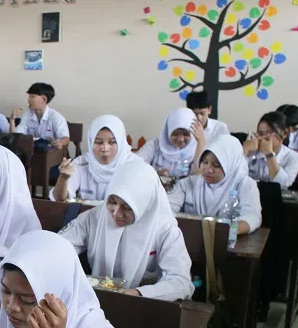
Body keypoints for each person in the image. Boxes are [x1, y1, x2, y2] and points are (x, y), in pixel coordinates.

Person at [59, 160, 194, 302]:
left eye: (128, 207)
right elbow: (61, 246)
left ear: (145, 203)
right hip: (96, 299)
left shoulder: (165, 229)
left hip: (146, 306)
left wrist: (138, 293)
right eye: (112, 202)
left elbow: (181, 281)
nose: (116, 213)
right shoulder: (96, 216)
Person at [168, 135, 262, 234]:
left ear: (231, 165)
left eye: (216, 165)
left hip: (228, 243)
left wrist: (228, 231)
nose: (208, 170)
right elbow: (166, 209)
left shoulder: (245, 184)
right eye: (205, 162)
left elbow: (252, 216)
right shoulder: (189, 183)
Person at [50, 115, 140, 202]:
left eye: (112, 142)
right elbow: (59, 200)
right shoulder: (81, 164)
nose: (105, 148)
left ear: (121, 143)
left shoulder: (135, 166)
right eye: (98, 142)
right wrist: (63, 178)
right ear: (91, 142)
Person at [136, 107, 205, 178]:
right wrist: (155, 174)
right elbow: (136, 166)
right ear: (168, 131)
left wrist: (201, 142)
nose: (180, 139)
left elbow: (197, 178)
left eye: (185, 134)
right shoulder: (154, 145)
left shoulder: (197, 148)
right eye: (175, 134)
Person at [243, 112, 298, 189]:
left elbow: (283, 184)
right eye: (260, 133)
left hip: (275, 199)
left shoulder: (293, 157)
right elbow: (232, 178)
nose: (263, 137)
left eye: (270, 133)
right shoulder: (251, 151)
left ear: (285, 133)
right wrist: (244, 151)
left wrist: (269, 154)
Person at [10, 83, 70, 150]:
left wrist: (61, 142)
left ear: (44, 99)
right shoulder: (27, 115)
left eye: (32, 96)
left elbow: (66, 139)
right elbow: (15, 137)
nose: (28, 100)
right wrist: (12, 119)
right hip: (34, 153)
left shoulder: (56, 117)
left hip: (52, 154)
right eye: (29, 96)